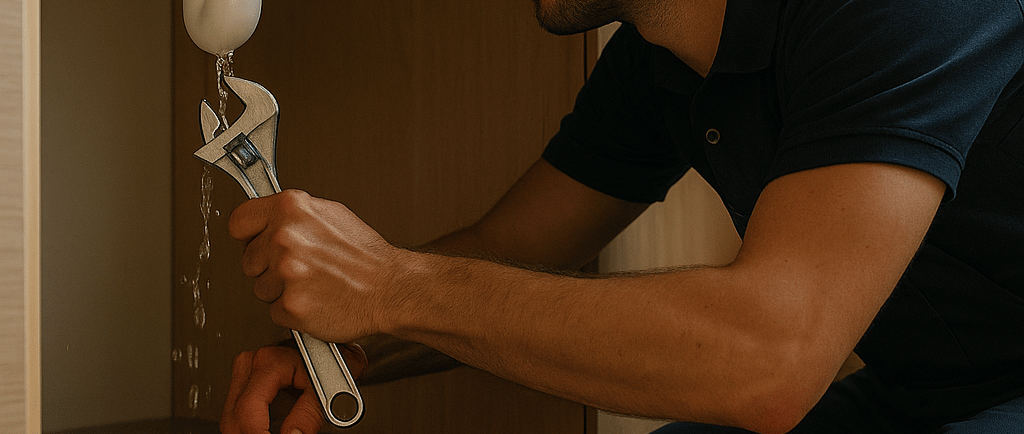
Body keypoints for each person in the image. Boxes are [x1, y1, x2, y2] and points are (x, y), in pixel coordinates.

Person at [218, 0, 1024, 433]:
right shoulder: (656, 64)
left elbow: (769, 361)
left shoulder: (905, 9)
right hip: (921, 395)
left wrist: (390, 284)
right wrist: (338, 347)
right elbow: (512, 248)